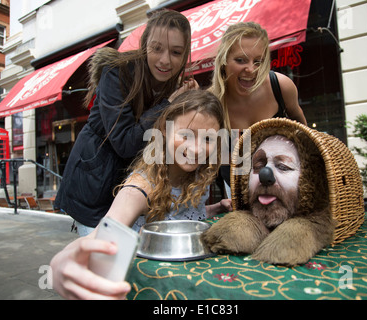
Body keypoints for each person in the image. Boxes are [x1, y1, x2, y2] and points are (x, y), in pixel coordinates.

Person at [50, 90, 232, 300]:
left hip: (185, 286)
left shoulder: (199, 175)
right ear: (165, 130)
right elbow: (103, 232)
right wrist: (62, 261)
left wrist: (217, 208)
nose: (197, 148)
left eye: (208, 138)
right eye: (186, 135)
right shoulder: (142, 185)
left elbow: (185, 218)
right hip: (146, 289)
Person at [54, 10, 198, 236]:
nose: (165, 60)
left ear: (185, 54)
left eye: (176, 52)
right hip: (94, 190)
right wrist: (169, 104)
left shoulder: (174, 87)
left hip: (134, 194)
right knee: (102, 263)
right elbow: (126, 143)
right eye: (157, 48)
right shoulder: (116, 73)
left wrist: (188, 107)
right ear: (144, 44)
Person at [208, 22, 307, 195]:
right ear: (223, 61)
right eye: (241, 60)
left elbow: (306, 137)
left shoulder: (281, 87)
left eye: (258, 61)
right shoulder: (211, 102)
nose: (251, 69)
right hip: (237, 194)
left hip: (285, 190)